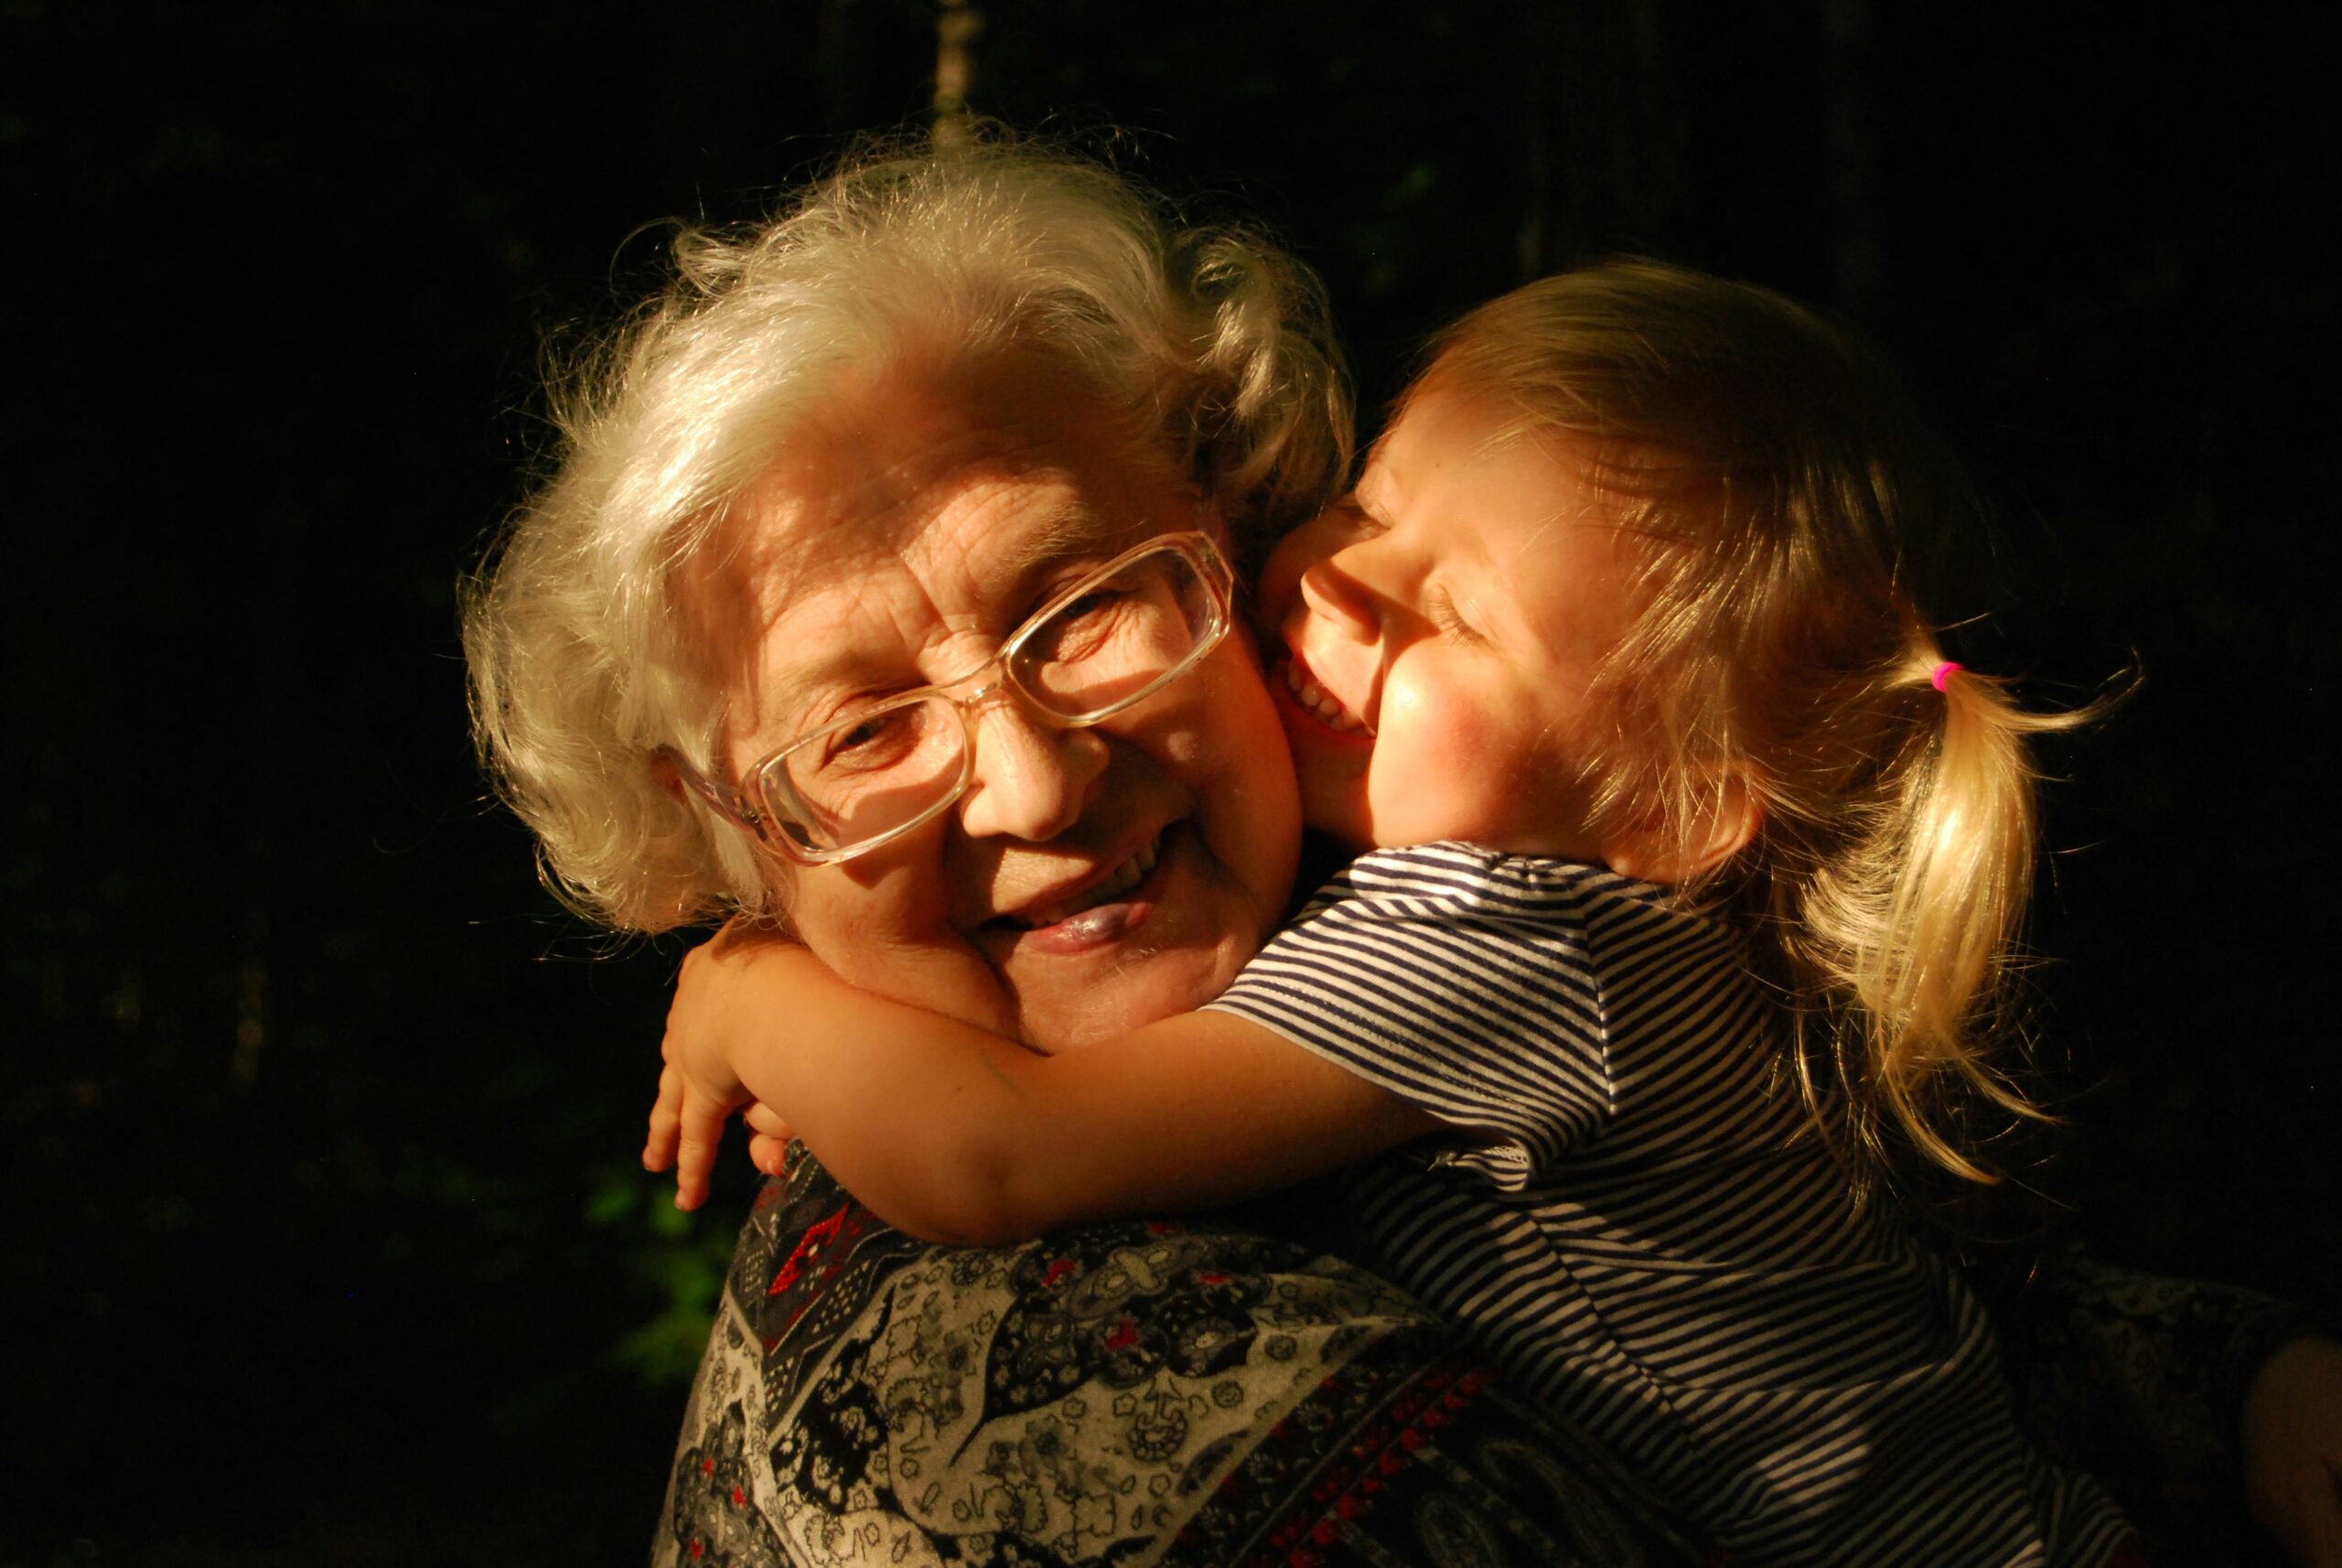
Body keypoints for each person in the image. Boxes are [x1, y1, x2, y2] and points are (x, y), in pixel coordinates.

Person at [463, 131, 2341, 1566]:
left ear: (1214, 527)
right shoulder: (1010, 1408)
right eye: (862, 727)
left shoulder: (1470, 927)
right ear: (722, 833)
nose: (1034, 785)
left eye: (1085, 604)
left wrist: (747, 989)